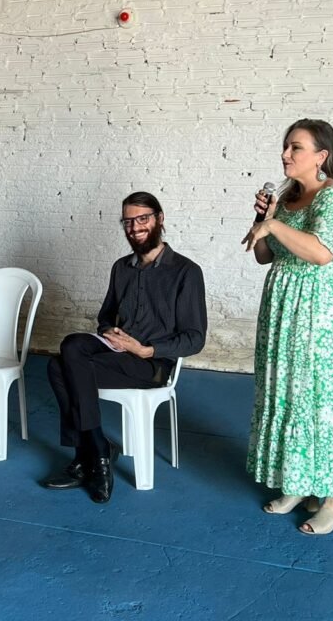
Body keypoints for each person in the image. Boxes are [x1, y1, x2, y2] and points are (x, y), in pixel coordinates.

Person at [42, 192, 207, 504]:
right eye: (128, 222)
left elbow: (195, 338)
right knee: (71, 344)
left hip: (151, 364)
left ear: (159, 219)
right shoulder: (121, 268)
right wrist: (110, 331)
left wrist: (145, 350)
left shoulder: (186, 271)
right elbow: (105, 317)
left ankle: (87, 457)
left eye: (142, 219)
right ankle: (98, 449)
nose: (135, 227)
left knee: (57, 367)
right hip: (116, 353)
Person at [241, 118, 333, 536]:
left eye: (296, 147)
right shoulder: (288, 197)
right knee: (286, 398)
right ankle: (298, 482)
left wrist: (274, 225)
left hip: (316, 318)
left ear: (321, 156)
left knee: (318, 405)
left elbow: (322, 253)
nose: (285, 154)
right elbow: (263, 256)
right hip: (283, 312)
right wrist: (266, 219)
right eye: (286, 146)